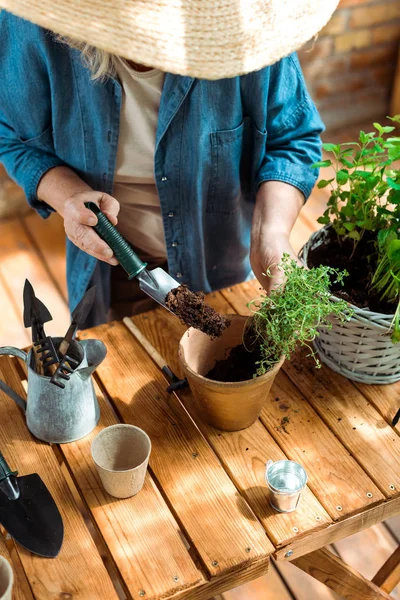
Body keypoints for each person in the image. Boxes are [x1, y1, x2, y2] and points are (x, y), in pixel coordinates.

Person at [0, 0, 339, 327]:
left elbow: (293, 139)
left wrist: (271, 235)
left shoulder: (247, 27)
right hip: (114, 271)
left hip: (226, 268)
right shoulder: (35, 28)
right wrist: (69, 196)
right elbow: (9, 136)